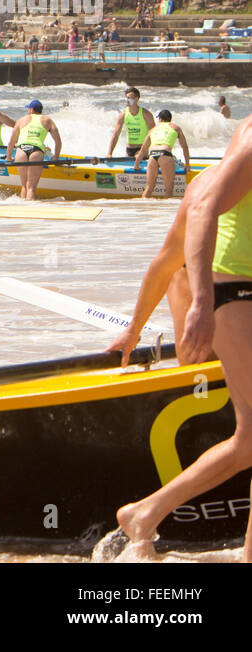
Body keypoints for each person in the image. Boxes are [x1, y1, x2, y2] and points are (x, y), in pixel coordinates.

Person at [105, 118, 252, 561]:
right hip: (230, 295)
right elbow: (166, 263)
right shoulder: (206, 188)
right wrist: (140, 328)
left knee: (249, 441)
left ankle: (146, 514)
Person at [6, 100, 61, 200]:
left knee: (24, 186)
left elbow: (11, 142)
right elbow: (58, 142)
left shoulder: (21, 120)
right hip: (36, 151)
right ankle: (31, 209)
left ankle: (23, 211)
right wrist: (56, 158)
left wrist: (8, 157)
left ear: (31, 110)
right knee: (31, 188)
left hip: (21, 151)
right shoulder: (48, 120)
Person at [133, 110, 192, 198]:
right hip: (165, 154)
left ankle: (143, 209)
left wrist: (136, 165)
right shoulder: (176, 128)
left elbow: (143, 150)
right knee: (168, 189)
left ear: (160, 119)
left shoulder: (153, 129)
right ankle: (165, 211)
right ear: (170, 119)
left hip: (152, 156)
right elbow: (185, 147)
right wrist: (187, 164)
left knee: (149, 188)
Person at [107, 87, 156, 161]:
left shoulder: (146, 114)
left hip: (142, 149)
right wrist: (109, 153)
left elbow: (154, 134)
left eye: (129, 98)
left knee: (136, 158)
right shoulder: (123, 114)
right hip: (129, 149)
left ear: (136, 99)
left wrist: (145, 150)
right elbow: (116, 134)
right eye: (126, 98)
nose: (127, 100)